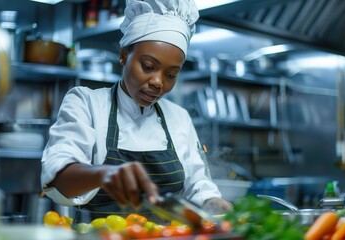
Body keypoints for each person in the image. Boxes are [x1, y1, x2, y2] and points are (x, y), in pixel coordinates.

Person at [40, 0, 232, 220]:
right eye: (148, 67)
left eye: (170, 75)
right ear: (124, 56)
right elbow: (57, 177)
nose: (158, 82)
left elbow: (198, 183)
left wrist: (212, 202)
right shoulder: (86, 102)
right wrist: (104, 174)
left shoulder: (178, 117)